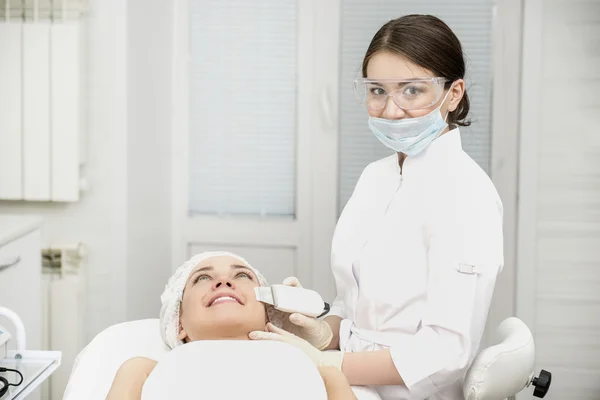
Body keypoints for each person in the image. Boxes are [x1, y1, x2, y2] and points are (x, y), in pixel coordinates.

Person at [248, 14, 504, 400]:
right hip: (347, 382)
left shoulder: (467, 193)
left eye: (412, 91)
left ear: (453, 94)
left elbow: (445, 352)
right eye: (377, 91)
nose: (391, 110)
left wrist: (330, 364)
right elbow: (355, 306)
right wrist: (321, 331)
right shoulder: (376, 177)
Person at [105, 251, 358, 400]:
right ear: (178, 322)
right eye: (202, 277)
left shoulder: (325, 374)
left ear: (268, 314)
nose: (223, 281)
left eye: (242, 275)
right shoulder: (141, 370)